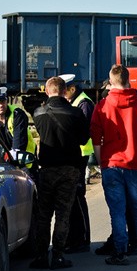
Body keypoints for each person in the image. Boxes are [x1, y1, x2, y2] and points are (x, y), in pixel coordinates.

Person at [90, 65, 137, 265]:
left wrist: (102, 163)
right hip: (135, 164)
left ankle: (121, 252)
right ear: (128, 79)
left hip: (112, 164)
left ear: (111, 81)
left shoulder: (102, 105)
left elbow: (96, 138)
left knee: (117, 211)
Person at [30, 76, 90, 270]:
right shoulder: (75, 113)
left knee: (44, 215)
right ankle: (58, 256)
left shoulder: (38, 113)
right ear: (65, 91)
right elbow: (83, 139)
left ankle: (41, 256)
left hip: (46, 169)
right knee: (63, 214)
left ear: (47, 92)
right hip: (69, 170)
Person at [60, 73, 94, 254]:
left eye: (64, 91)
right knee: (73, 198)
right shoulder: (75, 101)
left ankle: (83, 240)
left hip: (81, 154)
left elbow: (84, 132)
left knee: (78, 197)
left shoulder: (83, 103)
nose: (62, 95)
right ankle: (75, 239)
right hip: (73, 154)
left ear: (72, 89)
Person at [0, 87, 36, 166]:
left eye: (3, 101)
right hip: (2, 163)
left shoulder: (17, 114)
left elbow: (19, 144)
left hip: (25, 160)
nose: (1, 105)